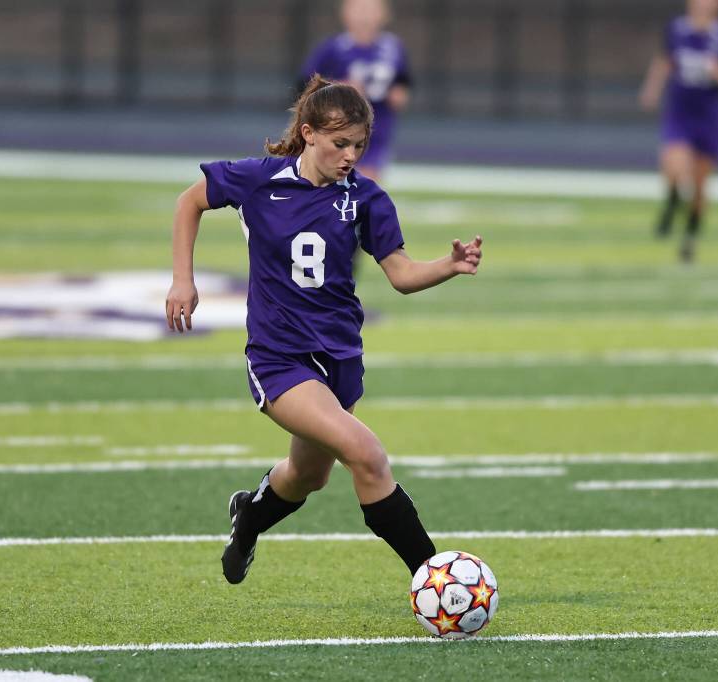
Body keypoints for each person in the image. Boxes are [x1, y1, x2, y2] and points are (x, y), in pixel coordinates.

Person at [164, 76, 483, 584]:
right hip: (279, 357)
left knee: (307, 476)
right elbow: (189, 202)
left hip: (340, 357)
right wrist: (183, 279)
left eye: (359, 145)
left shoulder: (366, 199)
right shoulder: (258, 180)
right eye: (340, 143)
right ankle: (438, 579)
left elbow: (400, 275)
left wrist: (448, 264)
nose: (350, 155)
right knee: (368, 455)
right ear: (308, 134)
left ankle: (250, 515)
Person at [639, 0, 718, 263]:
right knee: (674, 166)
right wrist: (652, 89)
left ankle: (690, 237)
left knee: (699, 185)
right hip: (679, 113)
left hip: (709, 117)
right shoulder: (676, 29)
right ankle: (673, 199)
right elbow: (665, 61)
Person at [299, 0, 411, 183]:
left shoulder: (393, 48)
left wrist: (399, 94)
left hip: (377, 125)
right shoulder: (333, 48)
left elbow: (403, 80)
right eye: (359, 10)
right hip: (339, 125)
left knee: (366, 181)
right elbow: (305, 84)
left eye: (370, 10)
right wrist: (339, 86)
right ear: (345, 13)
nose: (364, 16)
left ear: (384, 14)